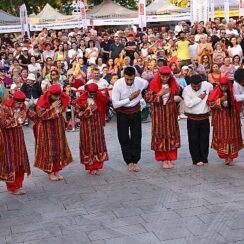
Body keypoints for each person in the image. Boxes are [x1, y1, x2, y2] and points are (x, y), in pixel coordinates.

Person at [112, 66, 148, 172]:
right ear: (123, 76)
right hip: (122, 112)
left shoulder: (140, 81)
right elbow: (115, 104)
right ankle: (128, 161)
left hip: (136, 111)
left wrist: (142, 94)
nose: (129, 81)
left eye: (131, 79)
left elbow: (147, 83)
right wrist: (129, 98)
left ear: (135, 76)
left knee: (136, 136)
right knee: (123, 137)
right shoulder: (118, 84)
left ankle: (135, 161)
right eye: (127, 79)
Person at [34, 84, 73, 181]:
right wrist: (52, 107)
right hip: (46, 129)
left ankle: (57, 171)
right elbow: (41, 116)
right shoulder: (42, 100)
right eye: (55, 96)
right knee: (49, 150)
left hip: (58, 126)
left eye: (58, 95)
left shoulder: (62, 98)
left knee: (59, 148)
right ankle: (50, 172)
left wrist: (65, 121)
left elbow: (62, 110)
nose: (57, 97)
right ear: (50, 94)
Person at [0, 91, 36, 195]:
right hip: (7, 139)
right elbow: (3, 124)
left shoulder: (24, 107)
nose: (20, 105)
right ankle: (12, 186)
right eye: (18, 103)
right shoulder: (4, 108)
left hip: (19, 138)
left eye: (22, 103)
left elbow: (34, 116)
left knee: (20, 160)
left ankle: (19, 185)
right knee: (10, 162)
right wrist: (14, 118)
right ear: (13, 100)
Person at [145, 66, 181, 169]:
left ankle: (170, 158)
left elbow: (178, 91)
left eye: (167, 76)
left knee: (171, 134)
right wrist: (159, 94)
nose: (165, 79)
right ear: (159, 75)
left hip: (170, 113)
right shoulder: (153, 84)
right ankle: (163, 159)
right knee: (160, 134)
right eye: (163, 76)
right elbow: (147, 98)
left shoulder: (173, 83)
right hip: (159, 114)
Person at [75, 83, 109, 175]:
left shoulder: (99, 97)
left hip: (97, 124)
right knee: (88, 145)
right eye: (91, 93)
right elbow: (77, 115)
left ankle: (97, 166)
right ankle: (90, 167)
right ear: (87, 91)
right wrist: (88, 110)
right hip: (86, 126)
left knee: (98, 144)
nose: (92, 95)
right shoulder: (81, 99)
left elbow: (106, 103)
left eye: (94, 93)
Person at [208, 77, 243, 166]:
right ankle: (225, 157)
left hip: (232, 118)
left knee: (232, 135)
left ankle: (231, 157)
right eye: (222, 86)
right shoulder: (215, 91)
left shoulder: (233, 91)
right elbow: (211, 103)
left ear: (228, 85)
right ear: (219, 85)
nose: (223, 88)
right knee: (222, 136)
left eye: (225, 86)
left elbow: (238, 102)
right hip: (221, 119)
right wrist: (221, 100)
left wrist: (231, 101)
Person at [183, 75, 213, 166]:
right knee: (193, 139)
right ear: (190, 84)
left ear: (201, 83)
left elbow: (213, 91)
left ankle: (204, 158)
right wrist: (200, 98)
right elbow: (188, 104)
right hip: (192, 118)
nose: (196, 88)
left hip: (204, 117)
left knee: (204, 139)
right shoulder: (186, 89)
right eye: (194, 86)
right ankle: (196, 159)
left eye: (198, 86)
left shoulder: (207, 85)